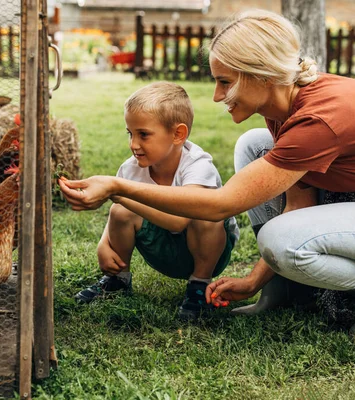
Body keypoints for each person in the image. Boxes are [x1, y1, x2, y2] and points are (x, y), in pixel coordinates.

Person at [59, 9, 355, 339]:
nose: (218, 96)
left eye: (225, 82)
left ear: (261, 74)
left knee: (280, 241)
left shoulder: (318, 120)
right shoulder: (284, 106)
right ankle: (285, 289)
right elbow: (298, 202)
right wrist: (255, 281)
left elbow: (221, 204)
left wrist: (117, 187)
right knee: (253, 146)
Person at [73, 81, 239, 320]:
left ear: (178, 134)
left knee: (204, 214)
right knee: (121, 211)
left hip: (209, 251)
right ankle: (118, 280)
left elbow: (177, 222)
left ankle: (199, 288)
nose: (133, 144)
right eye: (130, 134)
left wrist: (116, 192)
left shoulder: (198, 165)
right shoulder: (130, 169)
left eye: (143, 134)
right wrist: (104, 244)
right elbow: (119, 207)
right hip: (160, 249)